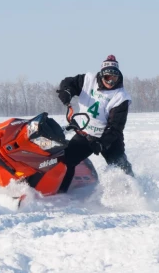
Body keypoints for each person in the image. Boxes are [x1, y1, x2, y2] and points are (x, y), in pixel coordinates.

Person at [56, 55, 134, 193]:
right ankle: (61, 194)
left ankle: (136, 194)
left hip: (109, 138)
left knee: (121, 169)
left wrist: (102, 143)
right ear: (101, 75)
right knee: (67, 162)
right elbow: (69, 82)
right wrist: (66, 91)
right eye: (107, 77)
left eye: (114, 78)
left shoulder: (121, 97)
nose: (110, 81)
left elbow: (116, 127)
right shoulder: (88, 79)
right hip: (85, 134)